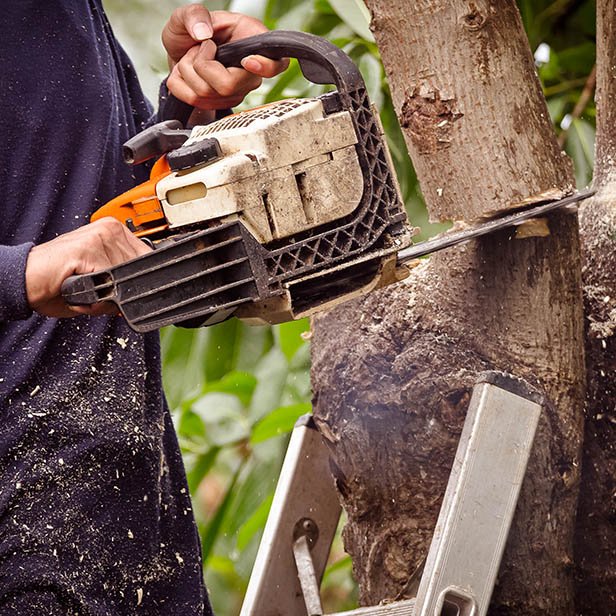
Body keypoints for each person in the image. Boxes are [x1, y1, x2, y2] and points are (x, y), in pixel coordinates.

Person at [0, 2, 286, 614]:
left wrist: (192, 114)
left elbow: (109, 225)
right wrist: (19, 273)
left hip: (134, 532)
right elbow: (47, 254)